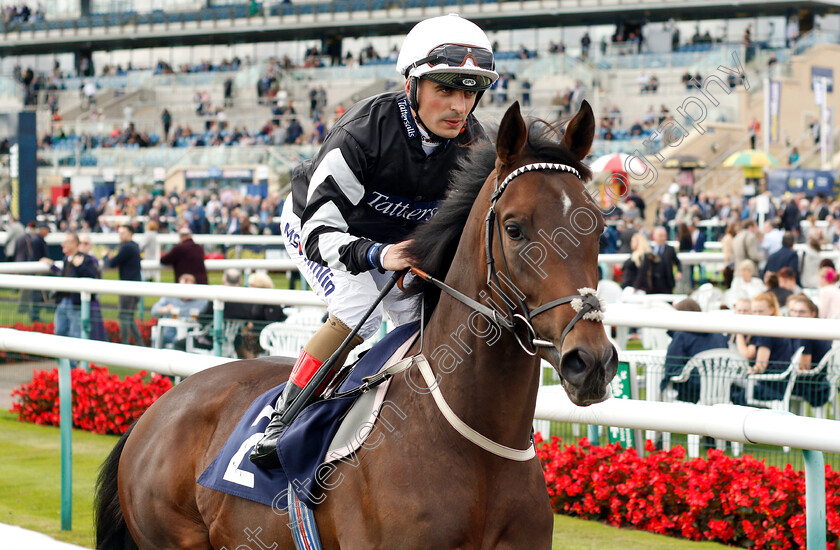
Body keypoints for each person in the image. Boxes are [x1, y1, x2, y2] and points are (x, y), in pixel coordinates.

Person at [250, 14, 499, 468]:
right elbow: (317, 234)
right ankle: (283, 417)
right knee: (358, 312)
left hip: (399, 242)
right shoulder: (363, 131)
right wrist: (379, 255)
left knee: (422, 323)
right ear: (412, 86)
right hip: (319, 226)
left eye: (469, 93)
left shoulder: (475, 146)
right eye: (445, 89)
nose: (459, 106)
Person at [40, 232, 100, 367]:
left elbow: (91, 277)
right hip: (64, 302)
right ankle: (65, 364)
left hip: (76, 304)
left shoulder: (86, 259)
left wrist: (80, 266)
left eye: (66, 241)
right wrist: (52, 265)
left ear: (74, 243)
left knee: (74, 334)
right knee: (60, 331)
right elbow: (64, 276)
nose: (63, 244)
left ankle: (72, 368)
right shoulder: (67, 259)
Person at [660, 298, 728, 403]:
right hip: (722, 388)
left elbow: (671, 369)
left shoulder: (681, 336)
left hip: (691, 390)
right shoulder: (719, 336)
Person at [733, 292, 793, 405]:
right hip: (780, 383)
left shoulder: (765, 332)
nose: (757, 315)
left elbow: (760, 366)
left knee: (729, 385)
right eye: (754, 311)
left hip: (770, 386)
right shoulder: (778, 325)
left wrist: (744, 372)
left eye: (761, 311)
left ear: (771, 309)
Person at [103, 225, 147, 346]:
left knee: (124, 317)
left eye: (123, 233)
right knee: (130, 317)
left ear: (130, 234)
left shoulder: (127, 247)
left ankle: (125, 344)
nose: (120, 235)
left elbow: (112, 263)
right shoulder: (134, 246)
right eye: (120, 233)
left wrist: (105, 256)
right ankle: (140, 343)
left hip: (128, 287)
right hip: (135, 286)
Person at [786, 294, 832, 408]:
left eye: (802, 312)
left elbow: (804, 367)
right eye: (794, 311)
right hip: (821, 381)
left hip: (812, 384)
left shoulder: (806, 335)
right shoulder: (817, 329)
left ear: (813, 314)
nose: (797, 315)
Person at [150, 273, 209, 348]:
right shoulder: (170, 297)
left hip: (189, 333)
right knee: (157, 337)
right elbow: (154, 311)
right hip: (169, 332)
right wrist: (165, 309)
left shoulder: (201, 301)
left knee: (181, 342)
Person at [650, 226, 681, 294]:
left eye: (664, 236)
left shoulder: (670, 249)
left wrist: (679, 272)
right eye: (660, 236)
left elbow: (677, 262)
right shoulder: (650, 249)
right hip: (653, 283)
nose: (663, 238)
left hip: (667, 282)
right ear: (654, 236)